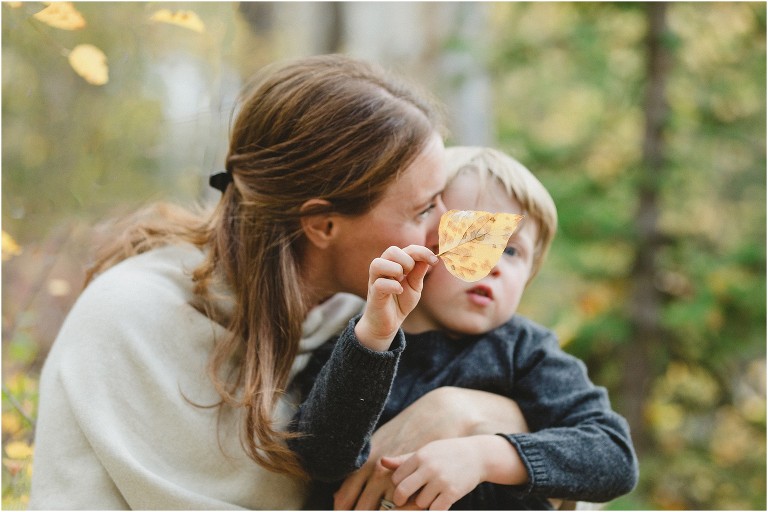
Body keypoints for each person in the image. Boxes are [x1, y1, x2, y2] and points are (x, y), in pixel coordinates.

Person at [28, 55, 529, 509]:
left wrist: (463, 412)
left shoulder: (353, 318)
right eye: (423, 208)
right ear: (322, 224)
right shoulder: (133, 317)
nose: (444, 228)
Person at [290, 146, 639, 510]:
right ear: (423, 247)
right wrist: (373, 341)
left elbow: (612, 454)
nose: (494, 264)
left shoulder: (526, 352)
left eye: (513, 252)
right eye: (471, 239)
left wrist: (485, 456)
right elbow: (318, 459)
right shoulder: (355, 346)